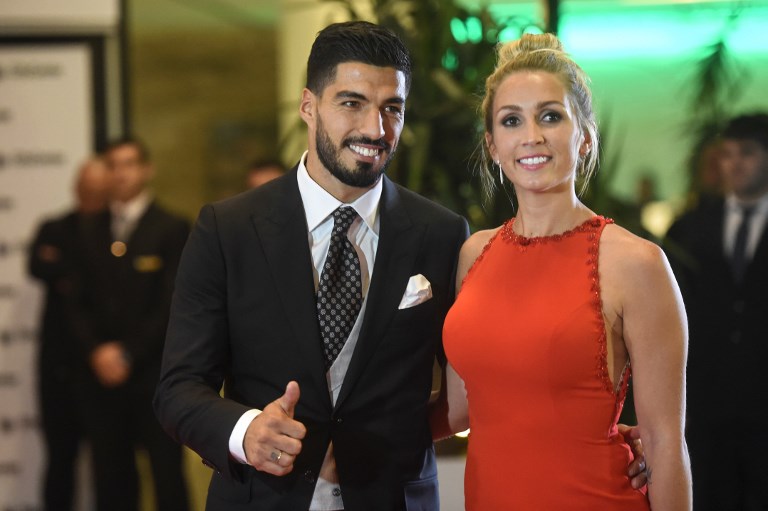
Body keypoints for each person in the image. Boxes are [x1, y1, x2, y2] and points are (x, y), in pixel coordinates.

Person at [154, 21, 469, 510]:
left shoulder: (443, 234)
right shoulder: (228, 229)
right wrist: (246, 431)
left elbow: (476, 379)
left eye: (393, 109)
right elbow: (178, 389)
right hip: (263, 498)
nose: (375, 129)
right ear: (308, 106)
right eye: (352, 103)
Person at [431, 34, 691, 510]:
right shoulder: (474, 253)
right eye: (512, 120)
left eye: (550, 116)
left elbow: (664, 444)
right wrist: (349, 436)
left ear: (584, 135)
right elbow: (460, 408)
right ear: (492, 145)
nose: (531, 135)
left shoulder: (637, 263)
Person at [67, 137, 190, 511]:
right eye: (114, 165)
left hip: (153, 376)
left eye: (129, 164)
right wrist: (96, 351)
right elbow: (74, 299)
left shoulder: (171, 227)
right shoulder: (88, 228)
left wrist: (128, 353)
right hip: (102, 379)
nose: (121, 173)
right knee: (111, 480)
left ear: (146, 169)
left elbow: (173, 302)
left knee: (167, 477)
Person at [665, 113, 768, 511]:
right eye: (727, 154)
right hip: (706, 408)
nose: (735, 163)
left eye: (747, 153)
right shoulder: (687, 230)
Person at [28, 157, 109, 510]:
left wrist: (69, 274)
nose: (91, 196)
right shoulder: (54, 227)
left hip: (101, 366)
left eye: (99, 191)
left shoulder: (114, 231)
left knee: (111, 461)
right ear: (76, 189)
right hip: (59, 364)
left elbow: (94, 281)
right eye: (86, 189)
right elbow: (38, 265)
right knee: (60, 457)